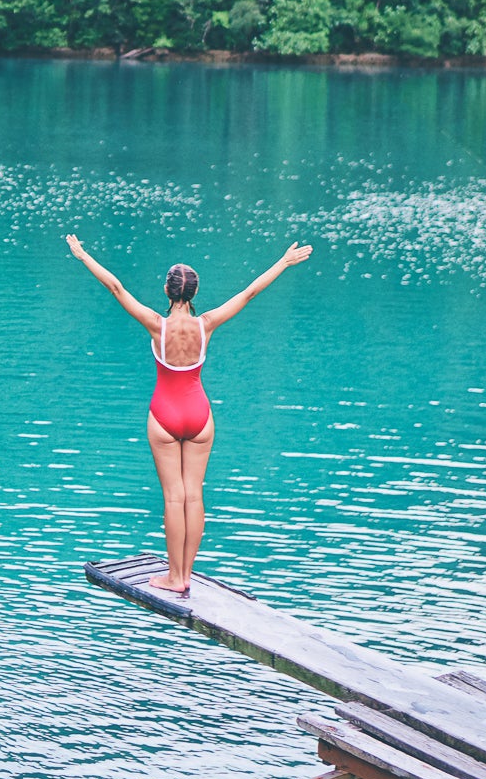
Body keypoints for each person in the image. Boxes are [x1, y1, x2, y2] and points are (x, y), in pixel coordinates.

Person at [65, 234, 315, 594]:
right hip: (199, 415)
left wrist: (84, 255)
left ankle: (173, 576)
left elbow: (117, 288)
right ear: (193, 295)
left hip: (164, 414)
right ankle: (185, 576)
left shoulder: (156, 324)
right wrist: (283, 262)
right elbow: (249, 293)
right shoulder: (206, 323)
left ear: (168, 292)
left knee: (173, 498)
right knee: (194, 495)